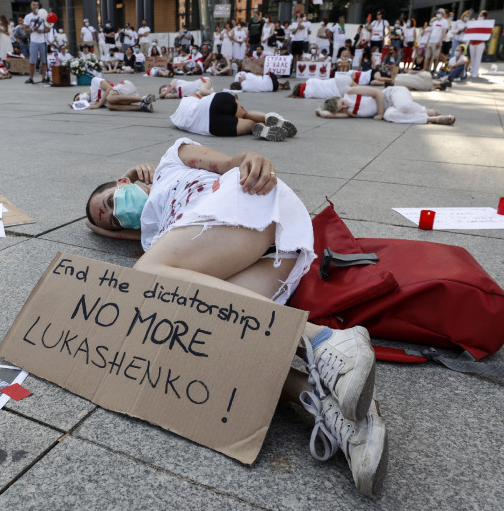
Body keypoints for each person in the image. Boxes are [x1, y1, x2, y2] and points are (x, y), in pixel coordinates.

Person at [84, 139, 386, 497]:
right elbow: (102, 227)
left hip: (249, 207)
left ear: (120, 182)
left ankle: (321, 340)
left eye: (110, 203)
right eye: (114, 222)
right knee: (207, 339)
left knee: (146, 277)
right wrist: (99, 224)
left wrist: (252, 159)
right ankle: (337, 409)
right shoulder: (157, 236)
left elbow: (232, 162)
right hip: (268, 257)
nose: (118, 216)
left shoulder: (171, 163)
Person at [170, 91, 295, 141]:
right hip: (214, 102)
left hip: (211, 127)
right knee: (245, 114)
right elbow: (203, 91)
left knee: (250, 124)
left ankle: (262, 128)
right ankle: (268, 117)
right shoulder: (190, 97)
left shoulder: (176, 117)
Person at [316, 85, 455, 125]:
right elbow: (328, 115)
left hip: (392, 94)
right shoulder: (348, 113)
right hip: (391, 109)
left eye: (342, 104)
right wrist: (320, 111)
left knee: (403, 107)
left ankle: (429, 113)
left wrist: (380, 113)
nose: (345, 107)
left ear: (339, 97)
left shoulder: (350, 92)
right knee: (390, 115)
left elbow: (377, 93)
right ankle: (431, 118)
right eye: (342, 109)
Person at [71, 77, 156, 112]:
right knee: (110, 106)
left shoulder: (94, 81)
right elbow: (89, 105)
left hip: (123, 87)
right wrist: (73, 104)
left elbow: (109, 88)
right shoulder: (93, 100)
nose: (82, 99)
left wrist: (99, 105)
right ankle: (143, 107)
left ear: (81, 93)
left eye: (79, 98)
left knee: (109, 98)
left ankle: (144, 98)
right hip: (121, 99)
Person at [24, 0, 49, 84]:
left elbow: (48, 28)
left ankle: (43, 78)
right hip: (33, 41)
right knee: (32, 61)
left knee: (44, 61)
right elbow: (25, 29)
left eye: (37, 5)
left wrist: (41, 31)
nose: (35, 6)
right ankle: (31, 78)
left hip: (43, 41)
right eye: (34, 5)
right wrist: (32, 29)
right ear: (31, 6)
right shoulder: (28, 17)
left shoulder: (43, 16)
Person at [288, 73, 354, 99]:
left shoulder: (308, 95)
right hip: (336, 81)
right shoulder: (310, 81)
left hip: (338, 92)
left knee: (360, 91)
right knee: (357, 85)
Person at [423, 9, 449, 73]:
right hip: (430, 41)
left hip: (437, 41)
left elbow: (444, 32)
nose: (438, 14)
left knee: (435, 57)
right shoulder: (435, 22)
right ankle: (426, 69)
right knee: (428, 56)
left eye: (439, 13)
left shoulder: (444, 22)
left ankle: (434, 70)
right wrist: (427, 41)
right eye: (437, 13)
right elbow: (431, 32)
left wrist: (440, 41)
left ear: (442, 14)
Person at [467, 11, 488, 79]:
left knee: (477, 58)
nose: (480, 16)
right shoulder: (474, 23)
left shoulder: (487, 24)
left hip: (480, 43)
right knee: (472, 58)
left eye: (481, 15)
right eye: (479, 15)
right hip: (472, 43)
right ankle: (472, 71)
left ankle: (475, 72)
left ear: (485, 17)